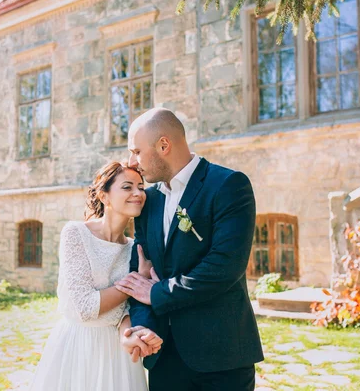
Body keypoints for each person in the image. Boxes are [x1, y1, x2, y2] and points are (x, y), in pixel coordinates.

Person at [115, 108, 264, 391]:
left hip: (222, 356)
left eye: (136, 151)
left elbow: (224, 267)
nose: (132, 162)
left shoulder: (228, 185)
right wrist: (145, 328)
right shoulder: (148, 200)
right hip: (164, 355)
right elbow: (139, 277)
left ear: (163, 145)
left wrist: (158, 293)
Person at [29, 161, 161, 391]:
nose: (138, 193)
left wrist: (128, 331)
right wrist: (135, 281)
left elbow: (127, 310)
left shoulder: (135, 248)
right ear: (104, 196)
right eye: (127, 187)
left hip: (119, 353)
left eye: (141, 187)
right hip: (79, 346)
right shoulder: (76, 233)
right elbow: (85, 307)